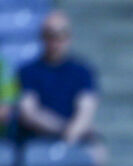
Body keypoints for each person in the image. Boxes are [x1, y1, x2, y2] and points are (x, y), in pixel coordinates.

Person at [17, 11, 99, 147]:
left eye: (61, 36)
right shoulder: (27, 71)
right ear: (42, 37)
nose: (55, 42)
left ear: (69, 37)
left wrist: (71, 136)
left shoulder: (83, 72)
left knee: (98, 152)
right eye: (50, 36)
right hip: (37, 140)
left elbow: (86, 110)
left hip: (75, 138)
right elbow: (29, 114)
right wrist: (66, 131)